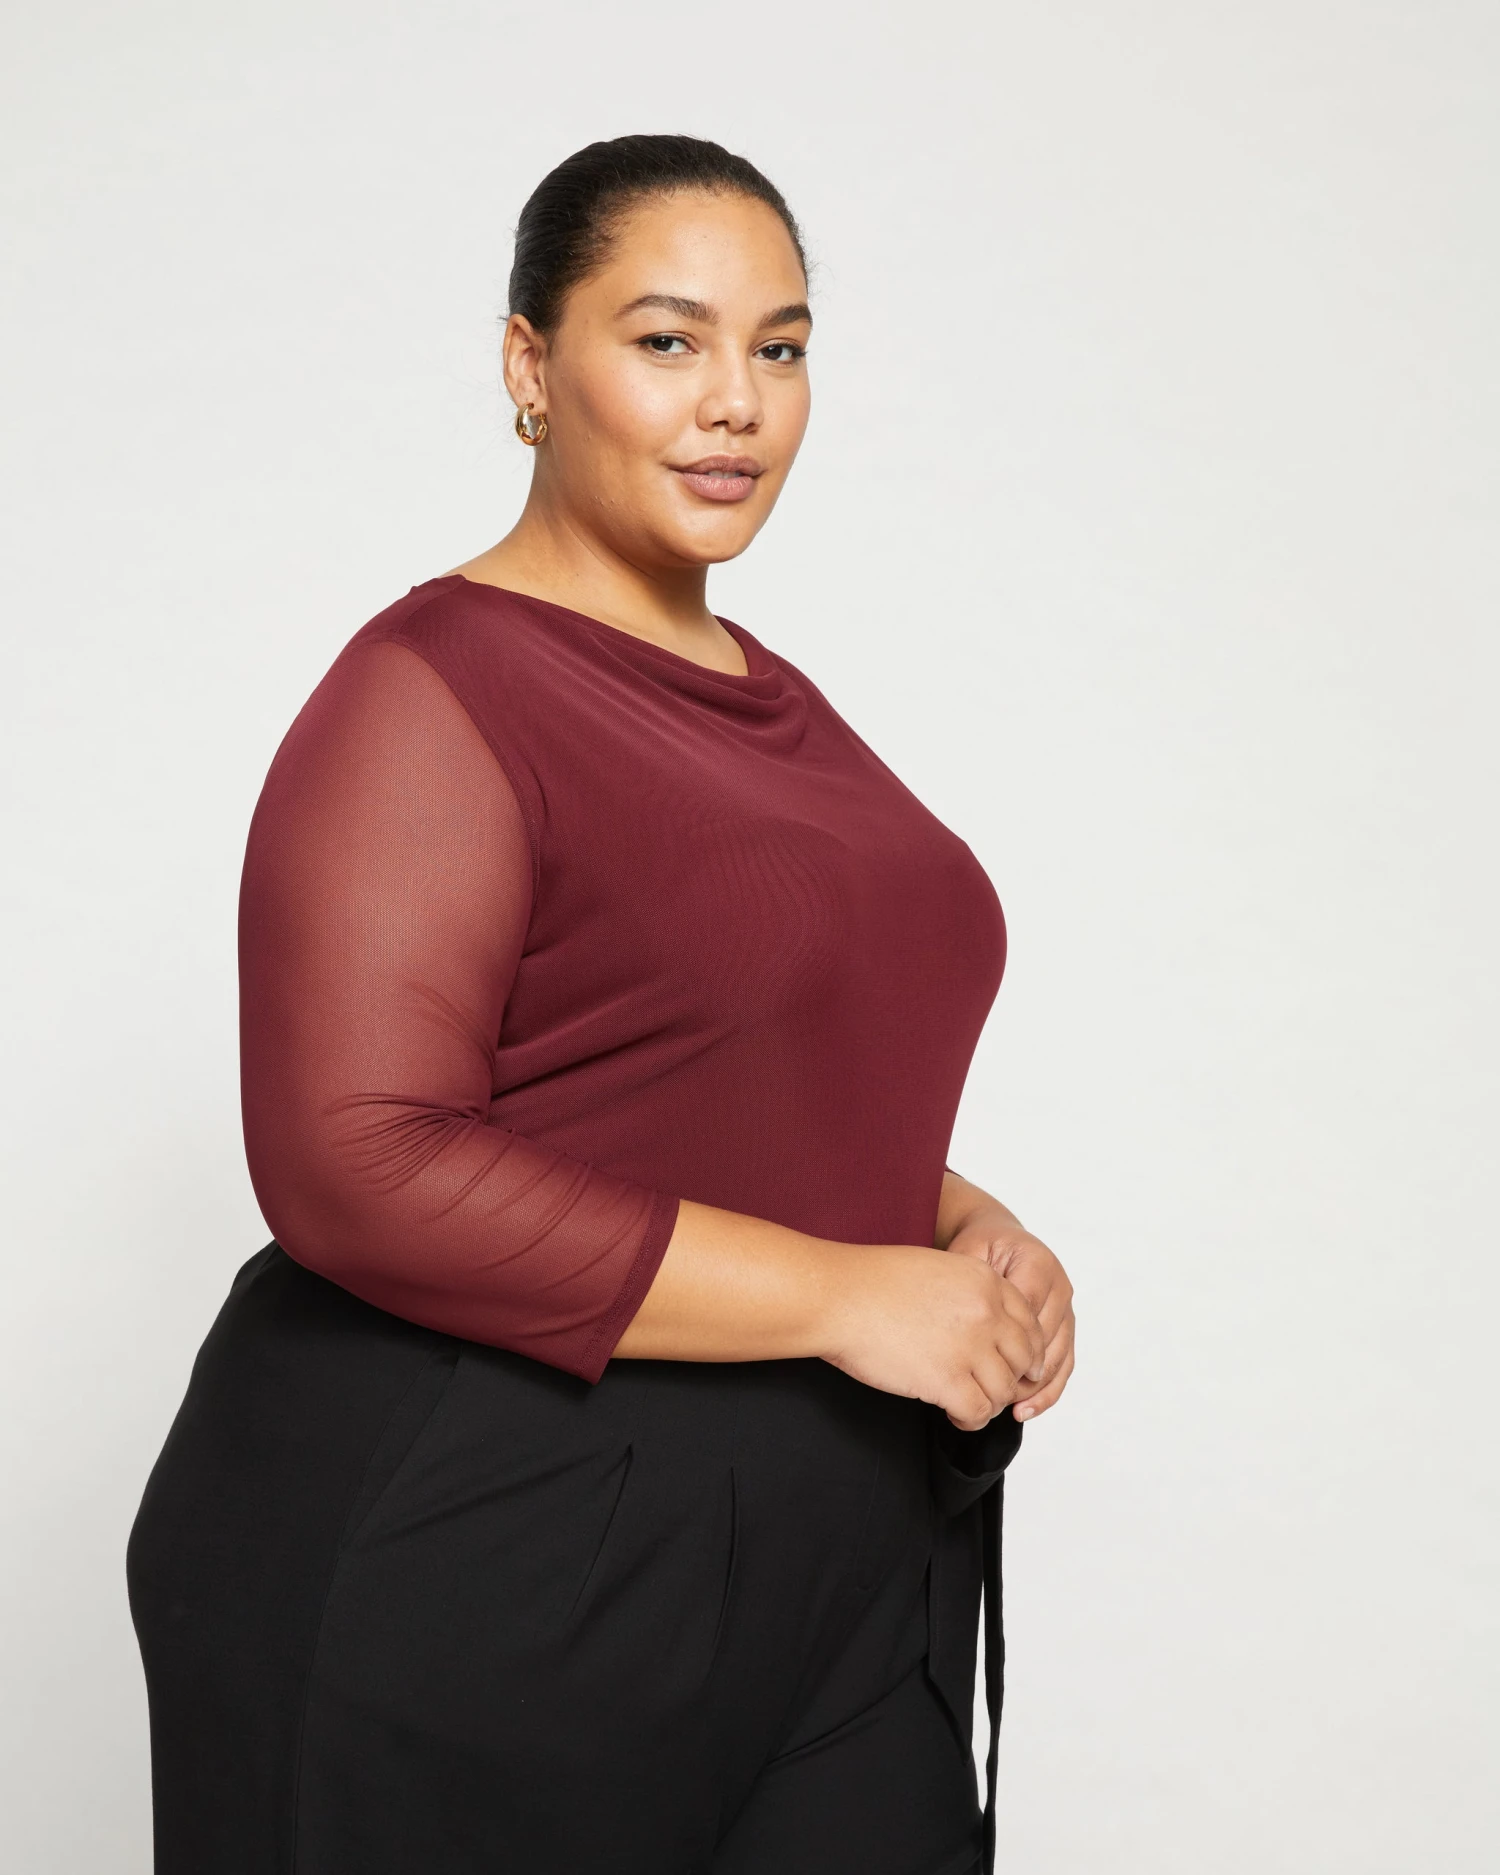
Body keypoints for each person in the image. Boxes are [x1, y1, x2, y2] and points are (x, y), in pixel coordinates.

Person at [127, 133, 1076, 1875]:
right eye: (666, 340)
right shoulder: (439, 686)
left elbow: (705, 1061)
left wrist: (953, 1222)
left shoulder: (780, 706)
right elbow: (355, 1158)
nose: (735, 403)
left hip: (839, 1552)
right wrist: (845, 1291)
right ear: (530, 364)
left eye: (778, 348)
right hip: (490, 1537)